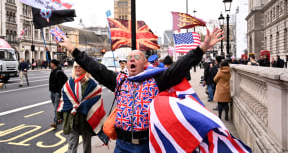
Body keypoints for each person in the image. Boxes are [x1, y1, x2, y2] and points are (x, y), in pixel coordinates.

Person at [59, 28, 224, 153]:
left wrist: (201, 49)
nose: (131, 60)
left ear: (145, 63)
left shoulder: (155, 81)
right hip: (122, 146)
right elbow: (95, 68)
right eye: (129, 58)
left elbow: (179, 68)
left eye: (136, 57)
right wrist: (73, 49)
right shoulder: (120, 81)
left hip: (146, 145)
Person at [57, 62, 106, 153]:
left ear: (85, 68)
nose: (78, 68)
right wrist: (58, 115)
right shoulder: (69, 82)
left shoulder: (91, 83)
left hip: (86, 118)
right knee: (72, 142)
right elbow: (64, 100)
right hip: (72, 118)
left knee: (86, 143)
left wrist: (83, 105)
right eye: (76, 66)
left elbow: (97, 96)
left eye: (80, 66)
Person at [49, 59, 68, 128]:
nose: (50, 64)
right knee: (56, 106)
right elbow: (49, 58)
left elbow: (60, 85)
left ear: (54, 64)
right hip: (52, 92)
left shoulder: (59, 72)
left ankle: (56, 121)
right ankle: (61, 117)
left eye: (51, 63)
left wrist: (60, 95)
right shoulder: (53, 70)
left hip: (57, 92)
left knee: (56, 108)